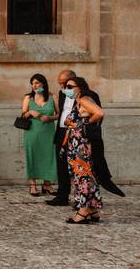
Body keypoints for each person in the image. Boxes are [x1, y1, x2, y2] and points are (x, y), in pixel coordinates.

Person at [61, 76, 105, 224]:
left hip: (82, 146)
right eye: (66, 86)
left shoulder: (85, 99)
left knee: (84, 177)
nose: (67, 89)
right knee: (83, 176)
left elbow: (99, 113)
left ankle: (83, 211)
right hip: (75, 145)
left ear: (80, 87)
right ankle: (93, 210)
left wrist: (84, 124)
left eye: (70, 86)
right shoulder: (78, 101)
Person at [21, 73, 57, 196]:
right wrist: (30, 112)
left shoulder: (53, 97)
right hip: (32, 132)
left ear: (43, 83)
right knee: (32, 156)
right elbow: (23, 115)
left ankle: (47, 185)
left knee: (49, 156)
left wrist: (50, 118)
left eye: (37, 83)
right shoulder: (28, 98)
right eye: (32, 83)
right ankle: (32, 185)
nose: (34, 85)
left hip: (48, 131)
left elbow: (59, 114)